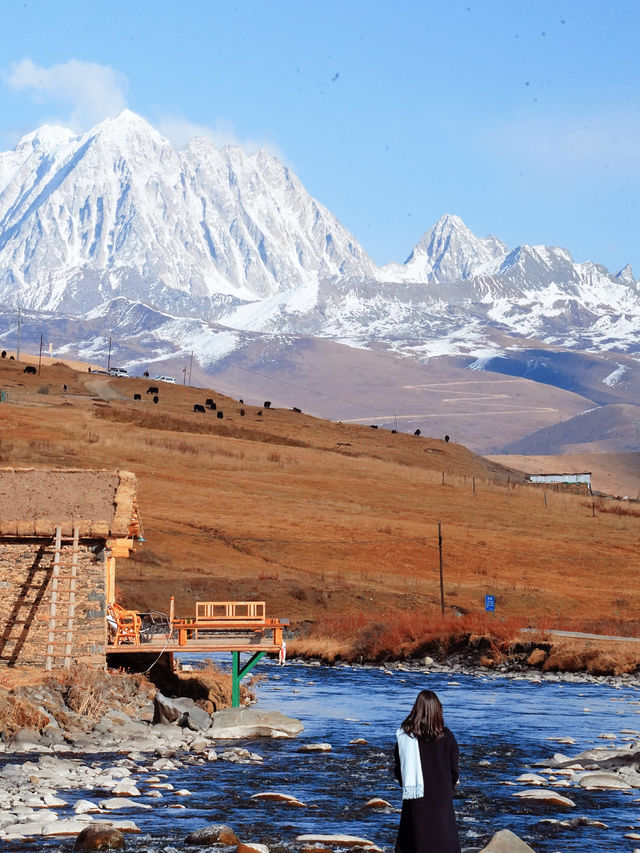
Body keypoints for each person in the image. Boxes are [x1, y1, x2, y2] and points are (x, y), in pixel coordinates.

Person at [394, 690, 460, 853]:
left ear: (415, 710)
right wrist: (448, 788)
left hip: (415, 800)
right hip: (441, 798)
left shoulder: (405, 738)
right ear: (437, 710)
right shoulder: (447, 737)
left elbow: (399, 770)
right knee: (444, 842)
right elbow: (454, 771)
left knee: (414, 843)